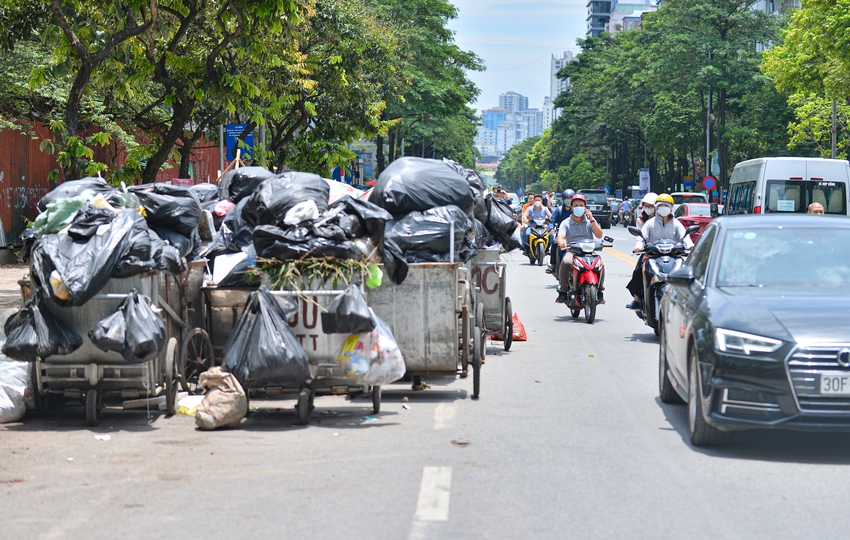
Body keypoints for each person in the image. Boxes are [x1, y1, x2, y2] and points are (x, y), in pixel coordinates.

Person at [625, 193, 694, 311]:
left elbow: (684, 236)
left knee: (687, 272)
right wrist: (639, 245)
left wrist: (690, 245)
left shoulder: (677, 223)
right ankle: (637, 300)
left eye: (666, 206)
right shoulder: (650, 223)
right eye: (660, 205)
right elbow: (642, 237)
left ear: (671, 207)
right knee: (639, 270)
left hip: (673, 255)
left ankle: (688, 298)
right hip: (652, 255)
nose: (663, 208)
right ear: (656, 207)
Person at [555, 194, 604, 304]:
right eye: (576, 205)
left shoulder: (590, 221)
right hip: (573, 251)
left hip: (589, 252)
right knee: (566, 262)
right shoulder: (566, 222)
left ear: (585, 207)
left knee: (601, 265)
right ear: (571, 208)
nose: (578, 207)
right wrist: (562, 243)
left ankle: (600, 291)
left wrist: (592, 220)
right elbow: (560, 236)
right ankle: (563, 291)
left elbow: (599, 235)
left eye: (581, 205)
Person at [546, 190, 575, 274]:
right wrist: (551, 228)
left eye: (570, 199)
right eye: (567, 199)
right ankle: (553, 265)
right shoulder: (559, 210)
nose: (569, 201)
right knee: (555, 243)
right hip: (562, 235)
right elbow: (552, 221)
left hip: (575, 235)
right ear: (563, 200)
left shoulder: (577, 210)